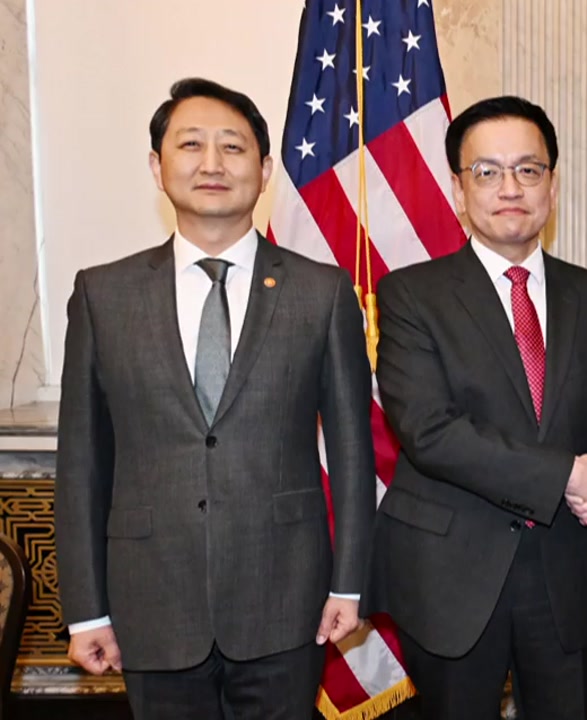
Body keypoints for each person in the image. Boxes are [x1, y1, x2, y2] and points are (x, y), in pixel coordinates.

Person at [55, 78, 375, 720]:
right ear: (157, 167)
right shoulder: (103, 295)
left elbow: (351, 452)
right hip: (151, 601)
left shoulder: (322, 292)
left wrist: (350, 584)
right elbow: (82, 462)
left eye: (232, 147)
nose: (212, 163)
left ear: (264, 171)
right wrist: (86, 610)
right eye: (190, 145)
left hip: (286, 601)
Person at [362, 95, 587, 720]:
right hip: (450, 577)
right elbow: (430, 432)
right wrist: (564, 474)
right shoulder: (410, 295)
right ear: (459, 191)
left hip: (569, 575)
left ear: (552, 184)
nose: (510, 188)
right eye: (487, 171)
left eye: (528, 169)